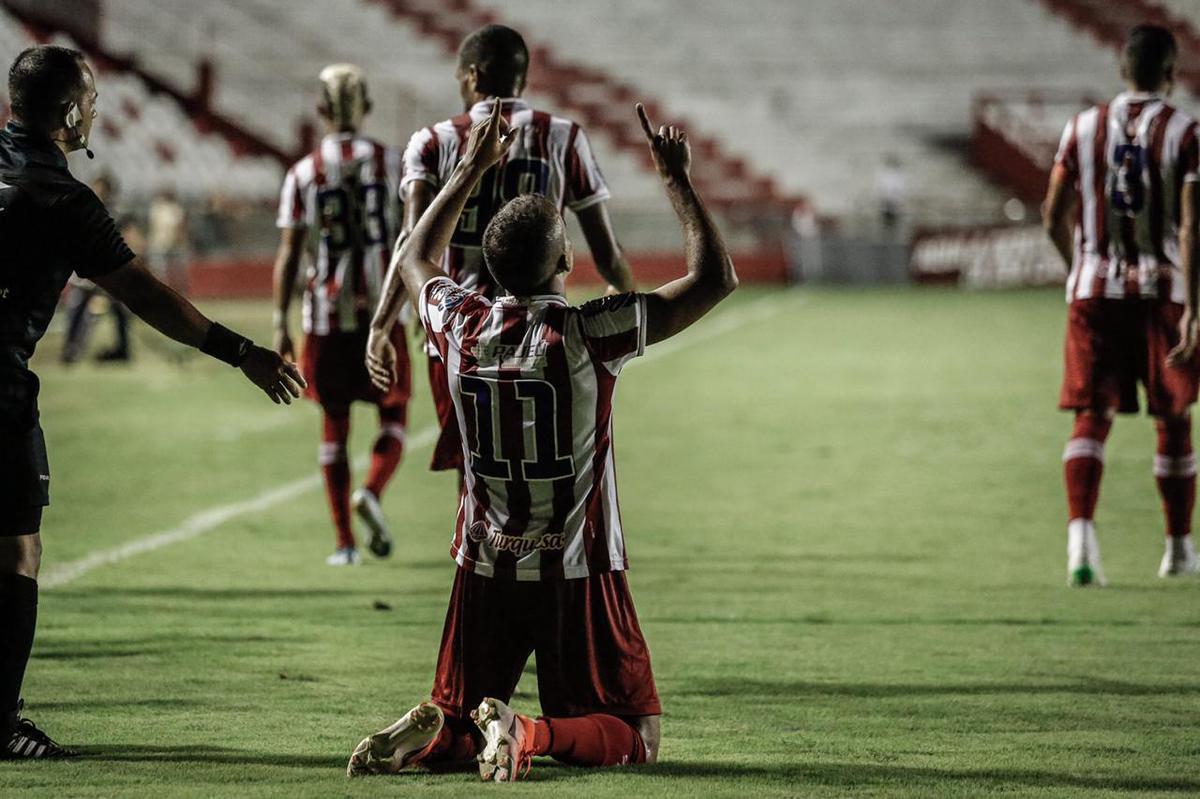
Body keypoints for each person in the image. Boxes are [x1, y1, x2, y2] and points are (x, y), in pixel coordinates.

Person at [349, 101, 736, 781]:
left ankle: (434, 736)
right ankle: (525, 730)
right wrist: (676, 179)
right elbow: (714, 279)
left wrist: (470, 167)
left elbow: (414, 257)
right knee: (637, 734)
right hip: (577, 565)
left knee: (460, 712)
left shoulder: (460, 325)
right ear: (565, 256)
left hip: (483, 564)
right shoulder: (591, 332)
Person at [0, 45, 304, 759]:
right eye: (90, 99)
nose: (96, 109)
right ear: (70, 113)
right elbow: (148, 297)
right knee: (15, 550)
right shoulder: (63, 199)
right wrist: (243, 352)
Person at [368, 24, 635, 485]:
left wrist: (382, 323)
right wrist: (625, 295)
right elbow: (607, 253)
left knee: (475, 469)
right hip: (543, 329)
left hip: (460, 328)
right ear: (522, 78)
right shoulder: (564, 136)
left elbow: (412, 240)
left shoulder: (434, 140)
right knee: (545, 463)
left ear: (472, 75)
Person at [1043, 25, 1200, 585]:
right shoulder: (1185, 132)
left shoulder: (1081, 126)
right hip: (1162, 294)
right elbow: (1191, 226)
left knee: (1092, 414)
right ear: (1171, 74)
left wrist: (1077, 270)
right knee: (1173, 417)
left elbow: (1052, 215)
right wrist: (1195, 308)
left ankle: (1080, 544)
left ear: (1122, 69)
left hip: (1094, 292)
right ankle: (1177, 550)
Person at [273, 64, 409, 566]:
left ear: (321, 110)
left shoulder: (303, 173)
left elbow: (290, 254)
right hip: (383, 315)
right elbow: (414, 235)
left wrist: (279, 321)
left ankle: (345, 544)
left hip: (325, 317)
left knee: (334, 426)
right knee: (394, 414)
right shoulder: (393, 162)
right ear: (367, 107)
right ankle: (371, 491)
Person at [60, 173, 139, 364]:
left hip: (109, 270)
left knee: (119, 311)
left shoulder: (117, 214)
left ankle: (123, 349)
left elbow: (130, 239)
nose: (98, 193)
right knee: (77, 309)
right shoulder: (81, 210)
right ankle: (71, 349)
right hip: (85, 272)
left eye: (102, 190)